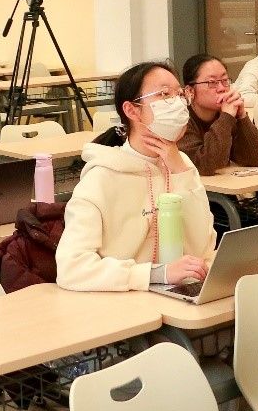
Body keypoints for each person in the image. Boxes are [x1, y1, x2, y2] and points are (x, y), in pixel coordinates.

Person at [56, 62, 216, 291]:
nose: (177, 103)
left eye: (180, 94)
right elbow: (71, 268)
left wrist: (181, 172)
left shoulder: (181, 164)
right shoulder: (101, 177)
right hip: (122, 300)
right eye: (164, 94)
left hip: (176, 295)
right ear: (132, 111)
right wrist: (156, 274)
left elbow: (203, 248)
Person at [177, 54, 258, 178]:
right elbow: (206, 165)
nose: (222, 88)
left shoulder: (227, 115)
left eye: (225, 81)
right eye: (212, 82)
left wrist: (242, 117)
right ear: (190, 91)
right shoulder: (181, 120)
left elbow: (255, 159)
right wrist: (226, 117)